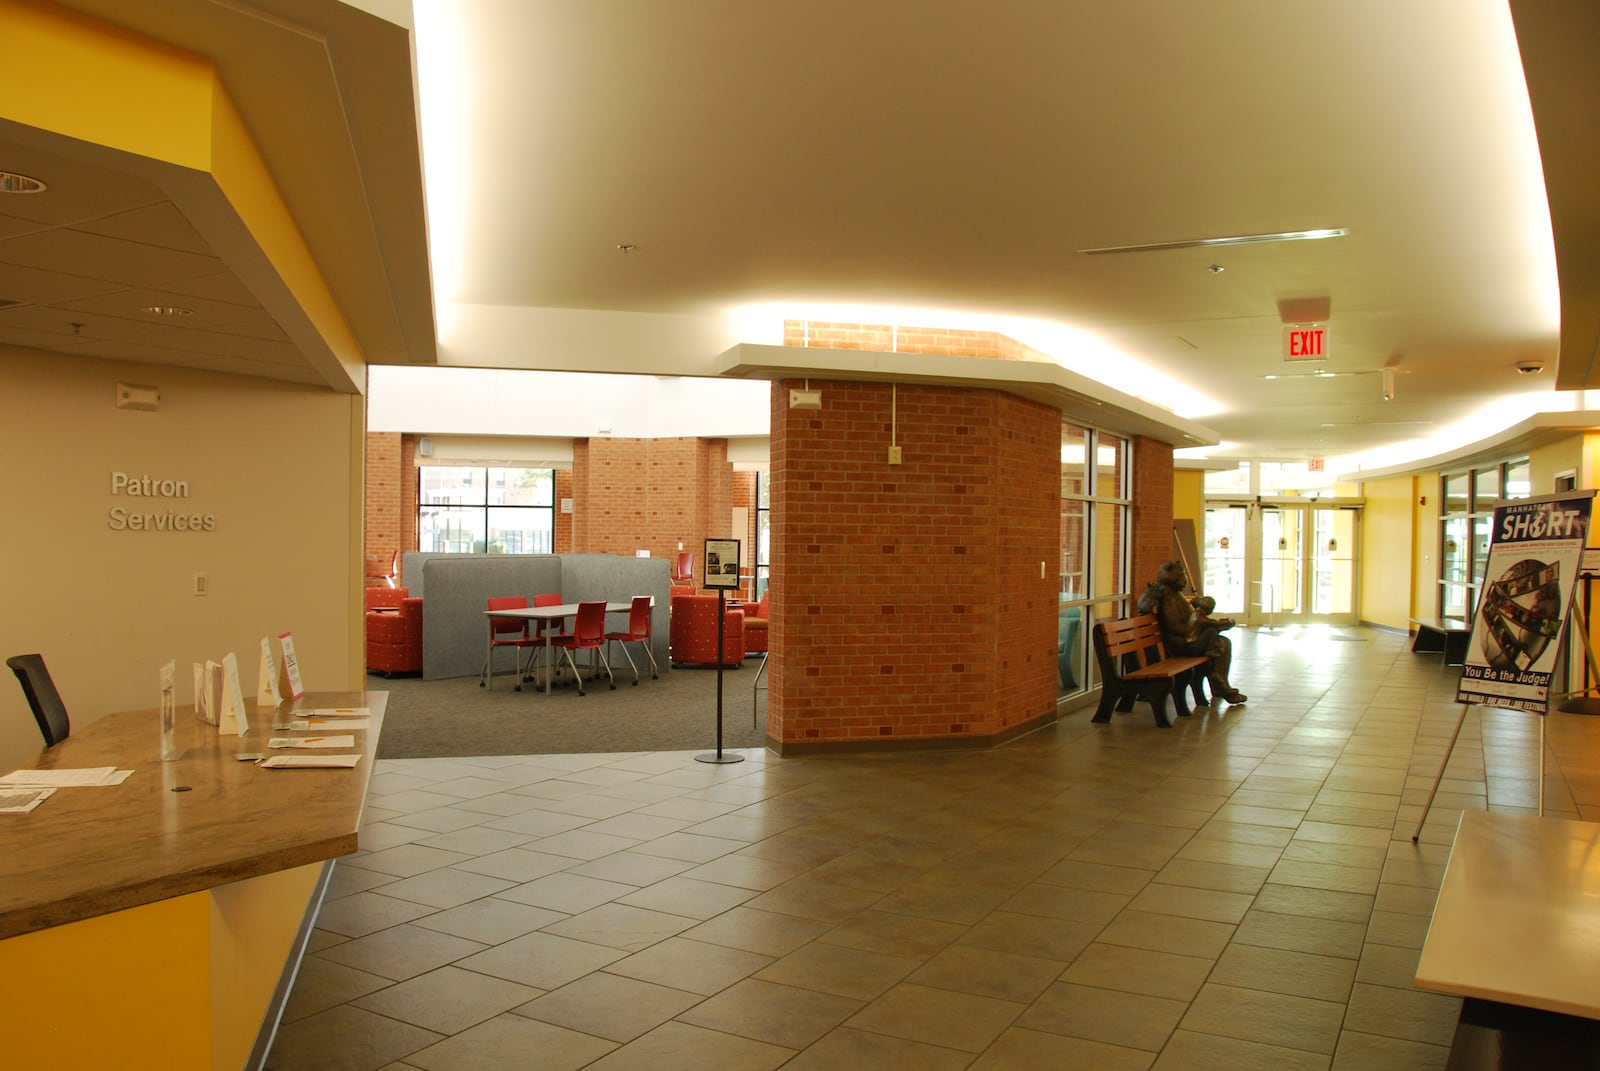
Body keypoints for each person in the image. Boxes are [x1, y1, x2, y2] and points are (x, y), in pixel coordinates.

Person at [1136, 560, 1247, 704]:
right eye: (1180, 576)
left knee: (1224, 642)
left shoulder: (1176, 595)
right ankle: (1219, 683)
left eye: (1184, 576)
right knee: (1217, 639)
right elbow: (1176, 627)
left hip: (1186, 641)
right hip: (1181, 645)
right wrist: (1207, 626)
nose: (1184, 580)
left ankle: (1220, 682)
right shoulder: (1168, 597)